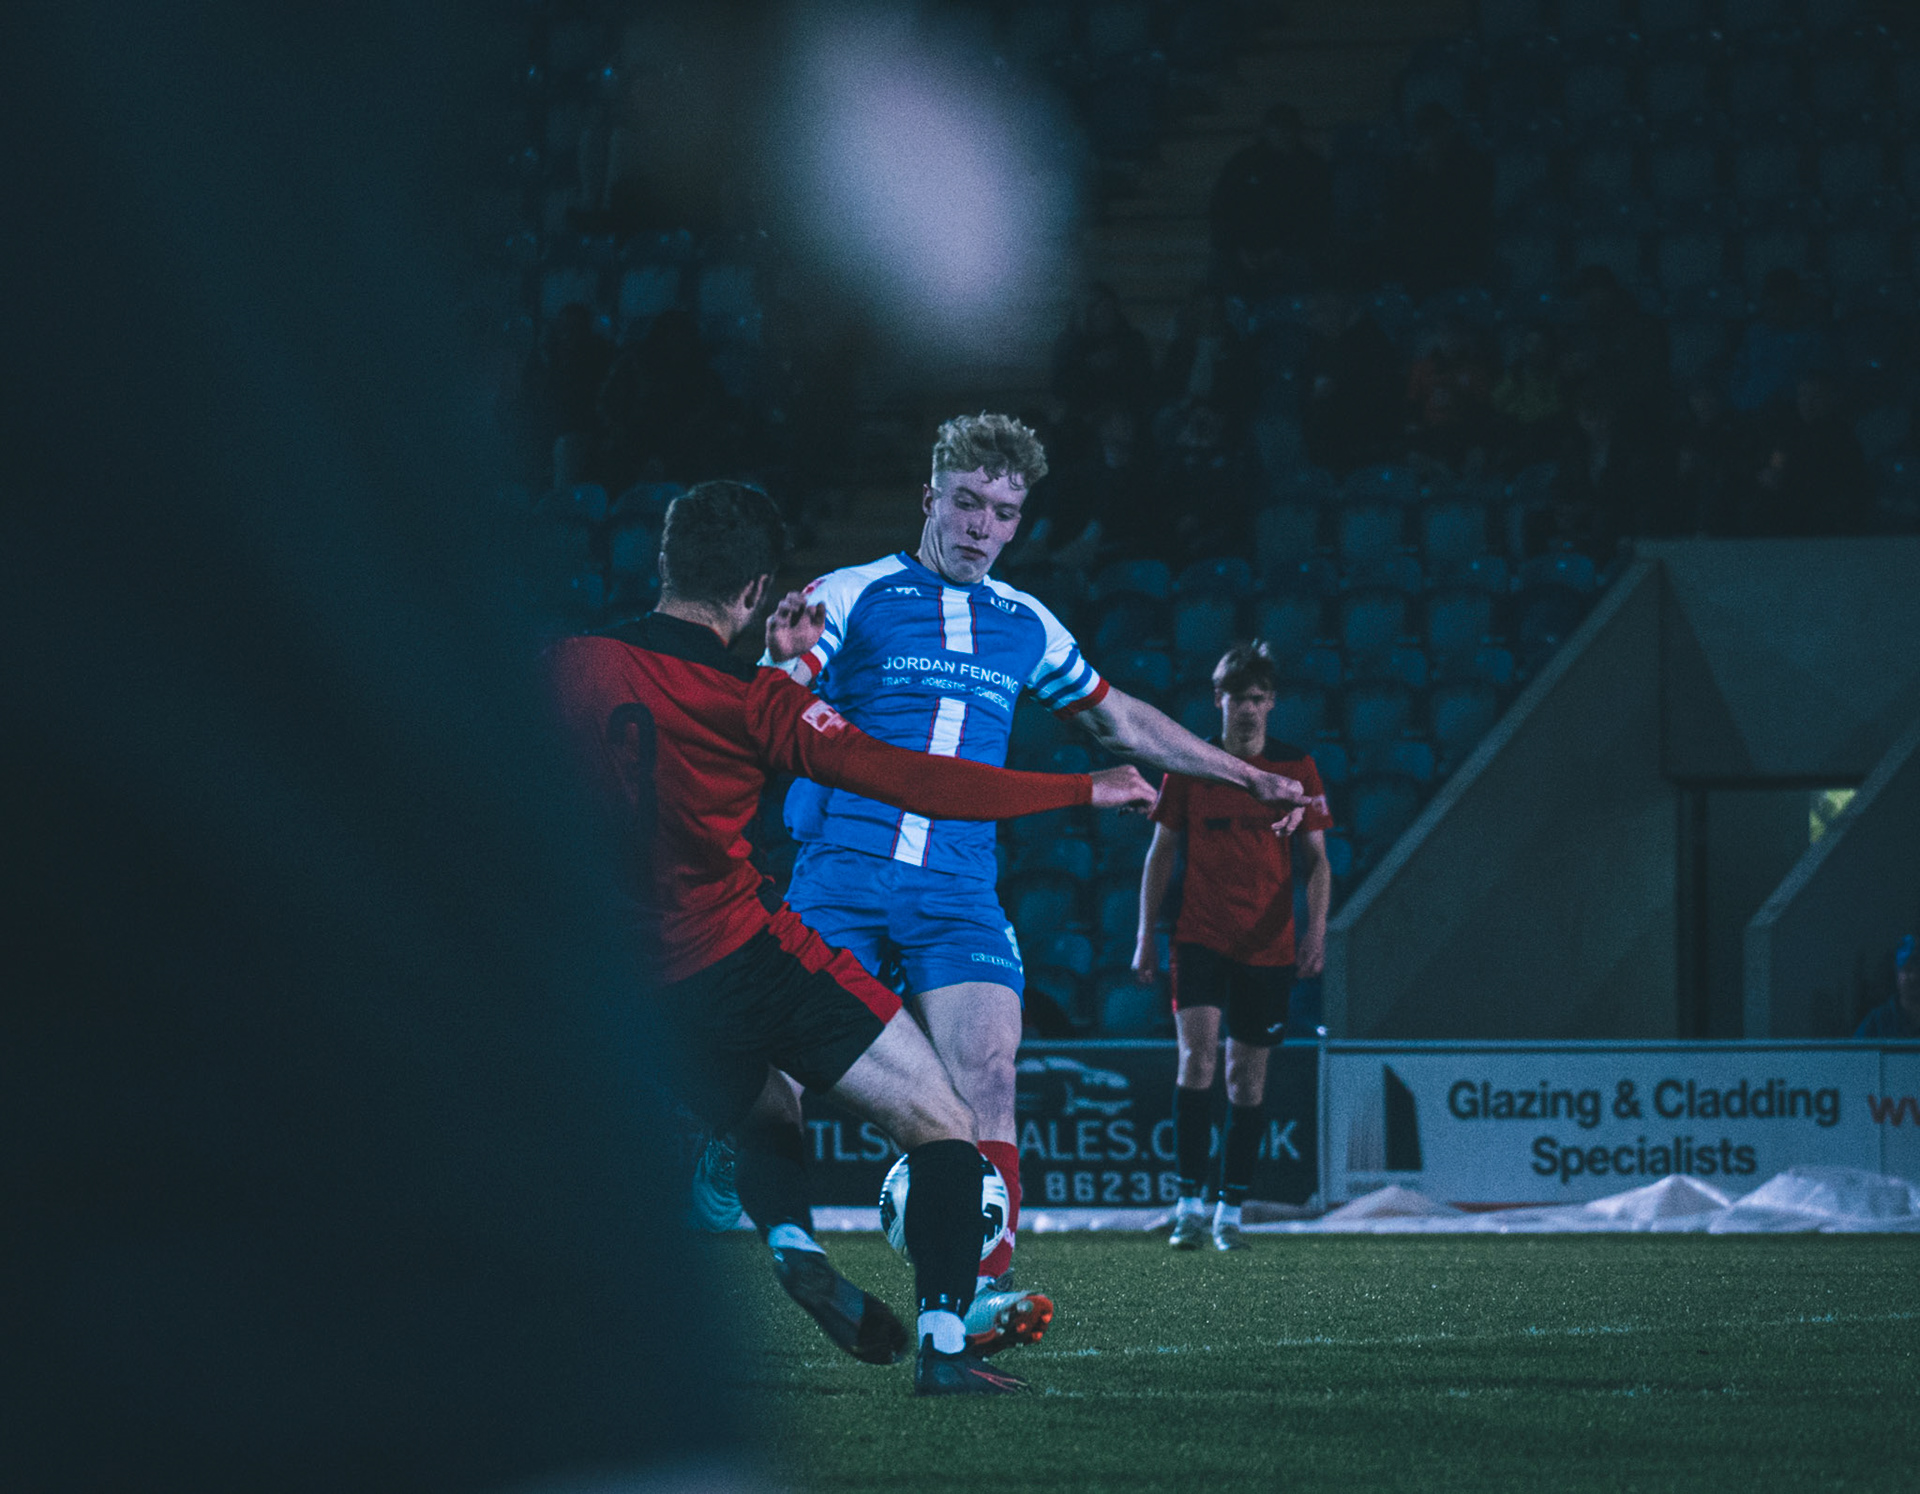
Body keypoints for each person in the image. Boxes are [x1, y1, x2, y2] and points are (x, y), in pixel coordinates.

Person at [548, 481, 1156, 1395]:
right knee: (943, 1122)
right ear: (756, 591)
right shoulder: (755, 704)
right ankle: (945, 1347)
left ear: (662, 561)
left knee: (763, 1110)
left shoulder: (566, 665)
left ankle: (793, 1241)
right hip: (743, 957)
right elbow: (921, 781)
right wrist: (1083, 788)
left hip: (630, 978)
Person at [759, 414, 1310, 1347]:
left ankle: (978, 1295)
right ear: (930, 498)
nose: (982, 525)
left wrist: (1244, 775)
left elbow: (1120, 720)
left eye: (1003, 512)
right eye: (967, 502)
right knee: (773, 1065)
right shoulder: (851, 592)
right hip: (842, 871)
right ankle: (787, 1239)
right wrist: (781, 660)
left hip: (957, 891)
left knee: (990, 1071)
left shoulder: (1026, 623)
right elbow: (777, 692)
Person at [1131, 643, 1333, 1251]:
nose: (1247, 708)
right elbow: (1161, 853)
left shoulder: (1296, 769)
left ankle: (1230, 1212)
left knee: (1247, 1081)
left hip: (1268, 946)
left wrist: (1316, 931)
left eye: (1257, 698)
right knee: (1196, 1062)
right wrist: (1145, 936)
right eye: (1237, 697)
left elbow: (1318, 862)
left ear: (1271, 703)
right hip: (1200, 936)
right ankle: (1188, 1206)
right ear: (1217, 699)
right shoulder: (1191, 767)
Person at [1208, 102, 1331, 293]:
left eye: (1288, 128)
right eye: (1277, 128)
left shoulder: (1313, 168)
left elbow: (1317, 217)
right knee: (1218, 276)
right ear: (1266, 130)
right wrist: (1238, 249)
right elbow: (1222, 208)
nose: (1283, 134)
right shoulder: (1243, 163)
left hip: (1293, 253)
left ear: (1298, 131)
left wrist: (1282, 250)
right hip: (1243, 252)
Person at [1854, 937, 1920, 1039]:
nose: (1914, 976)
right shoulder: (1877, 1022)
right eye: (1907, 969)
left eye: (1919, 969)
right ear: (1897, 973)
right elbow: (1856, 1048)